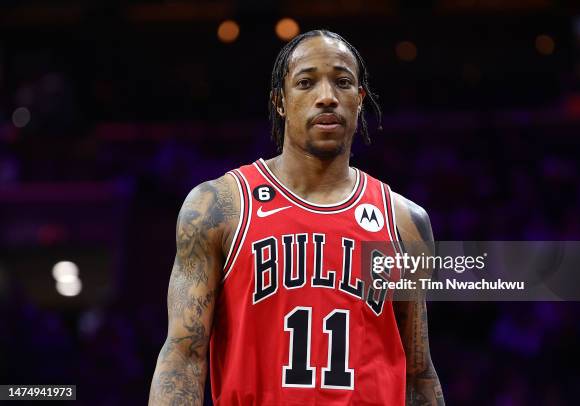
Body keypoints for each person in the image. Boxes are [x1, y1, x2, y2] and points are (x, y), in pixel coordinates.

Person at [149, 29, 444, 405]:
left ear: (359, 99)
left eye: (342, 82)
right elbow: (183, 356)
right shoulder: (219, 206)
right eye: (306, 83)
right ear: (281, 101)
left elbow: (419, 375)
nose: (326, 97)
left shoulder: (405, 221)